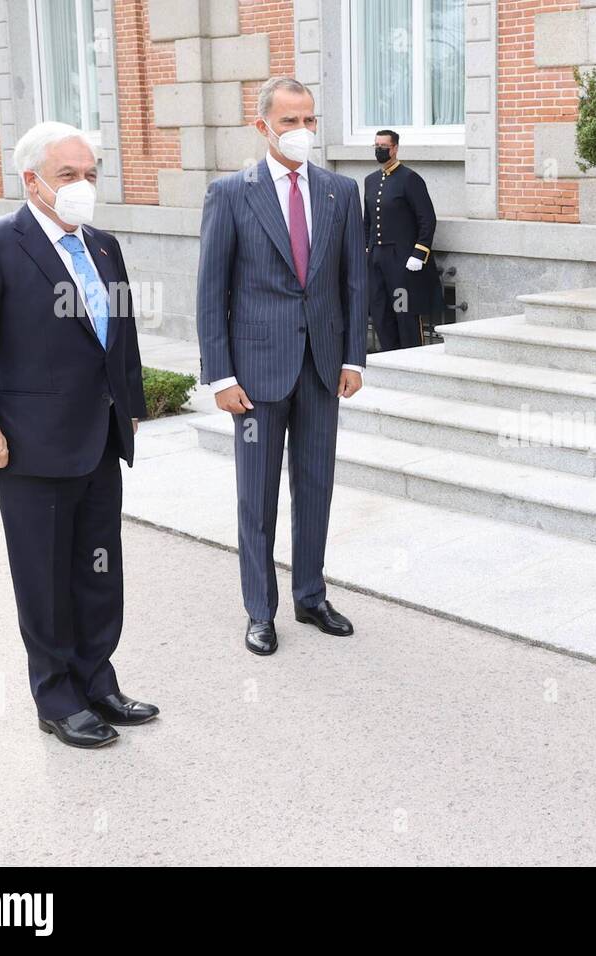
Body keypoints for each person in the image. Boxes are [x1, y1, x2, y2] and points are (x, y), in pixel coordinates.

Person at [0, 121, 157, 749]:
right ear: (32, 180)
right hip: (30, 445)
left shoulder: (104, 245)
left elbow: (122, 335)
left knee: (98, 569)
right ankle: (57, 697)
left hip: (100, 440)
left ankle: (97, 679)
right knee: (45, 576)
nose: (83, 186)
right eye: (69, 175)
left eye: (90, 174)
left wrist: (131, 404)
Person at [197, 77, 368, 656]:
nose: (302, 132)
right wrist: (220, 375)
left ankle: (311, 595)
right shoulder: (230, 193)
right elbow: (210, 290)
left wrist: (352, 357)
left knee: (316, 487)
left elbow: (353, 282)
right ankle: (260, 610)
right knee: (257, 495)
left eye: (309, 121)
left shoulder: (340, 193)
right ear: (262, 125)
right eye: (290, 121)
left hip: (322, 366)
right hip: (255, 374)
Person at [364, 129, 442, 351]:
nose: (379, 150)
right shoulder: (370, 181)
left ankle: (411, 358)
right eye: (376, 146)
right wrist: (365, 251)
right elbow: (367, 221)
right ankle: (389, 357)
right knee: (380, 311)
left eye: (384, 146)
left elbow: (427, 219)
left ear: (395, 148)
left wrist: (419, 253)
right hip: (377, 258)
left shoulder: (409, 179)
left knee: (404, 312)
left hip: (402, 260)